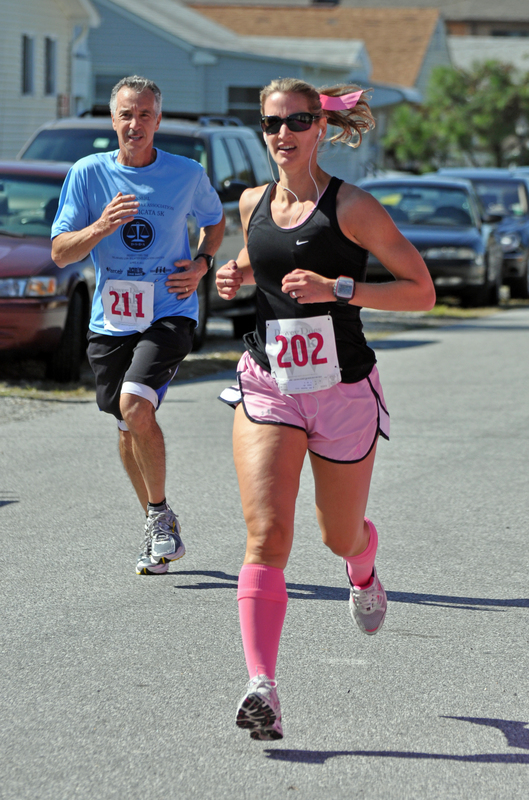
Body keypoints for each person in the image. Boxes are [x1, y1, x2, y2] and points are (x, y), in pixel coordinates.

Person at [215, 77, 435, 740]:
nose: (283, 135)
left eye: (298, 121)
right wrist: (235, 272)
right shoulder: (253, 201)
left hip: (340, 391)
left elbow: (420, 292)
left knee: (337, 534)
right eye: (272, 123)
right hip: (269, 384)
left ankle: (361, 567)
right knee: (266, 535)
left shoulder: (352, 208)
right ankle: (262, 687)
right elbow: (262, 257)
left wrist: (337, 288)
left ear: (319, 129)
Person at [51, 76, 225, 575]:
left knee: (134, 403)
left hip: (170, 311)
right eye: (127, 114)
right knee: (127, 423)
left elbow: (215, 221)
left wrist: (203, 262)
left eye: (145, 114)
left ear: (158, 120)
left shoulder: (186, 173)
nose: (136, 124)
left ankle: (158, 517)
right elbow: (61, 252)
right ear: (112, 120)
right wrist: (102, 226)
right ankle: (158, 522)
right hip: (111, 319)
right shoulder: (87, 174)